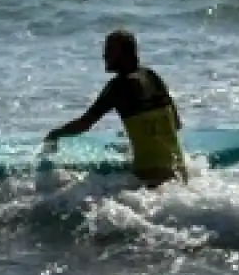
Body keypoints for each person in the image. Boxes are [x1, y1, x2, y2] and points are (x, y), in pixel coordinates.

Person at [44, 30, 186, 187]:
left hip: (149, 174)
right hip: (179, 171)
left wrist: (55, 134)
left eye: (109, 50)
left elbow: (85, 123)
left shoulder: (118, 86)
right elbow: (176, 124)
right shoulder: (152, 76)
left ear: (125, 53)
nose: (104, 56)